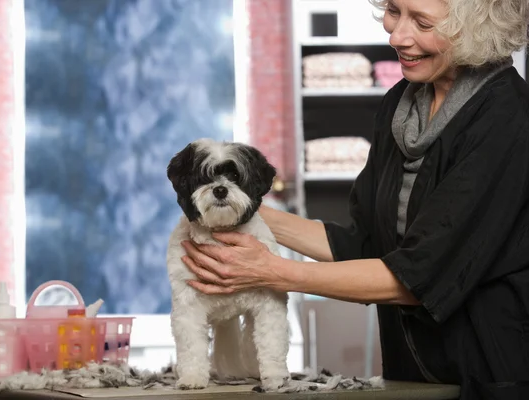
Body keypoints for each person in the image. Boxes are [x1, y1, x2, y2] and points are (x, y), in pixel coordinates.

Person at [179, 0, 529, 398]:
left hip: (490, 376)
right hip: (412, 375)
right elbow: (365, 245)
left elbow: (418, 276)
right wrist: (236, 209)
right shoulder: (401, 105)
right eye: (395, 10)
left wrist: (272, 272)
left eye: (422, 22)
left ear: (477, 28)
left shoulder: (507, 121)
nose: (396, 35)